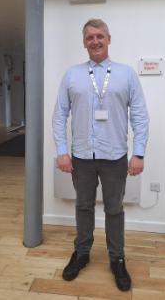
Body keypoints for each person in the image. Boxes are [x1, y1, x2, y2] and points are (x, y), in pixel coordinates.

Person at [52, 19, 149, 291]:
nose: (95, 41)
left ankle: (117, 258)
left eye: (100, 36)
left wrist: (138, 153)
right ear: (84, 42)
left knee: (114, 209)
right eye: (89, 37)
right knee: (83, 206)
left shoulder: (126, 74)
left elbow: (140, 116)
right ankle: (82, 254)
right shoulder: (71, 74)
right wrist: (62, 151)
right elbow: (59, 115)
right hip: (81, 156)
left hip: (115, 156)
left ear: (109, 39)